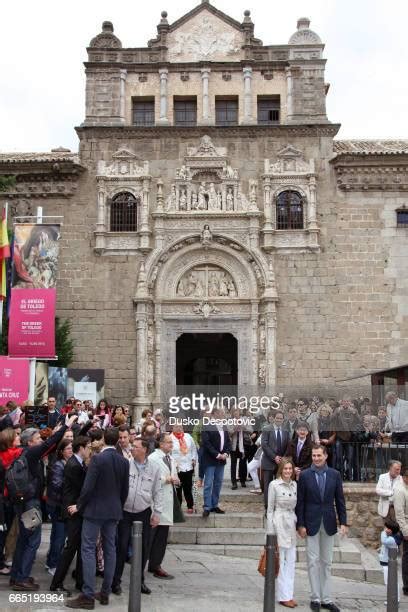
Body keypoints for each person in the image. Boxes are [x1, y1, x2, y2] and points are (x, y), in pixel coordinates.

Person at [10, 415, 77, 591]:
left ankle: (17, 575)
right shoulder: (31, 452)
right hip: (31, 504)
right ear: (30, 442)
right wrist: (66, 427)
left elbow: (51, 444)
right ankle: (22, 579)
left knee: (24, 539)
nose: (41, 441)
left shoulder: (26, 452)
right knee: (33, 540)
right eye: (38, 439)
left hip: (25, 502)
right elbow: (50, 443)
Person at [65, 428, 129, 609]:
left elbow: (88, 487)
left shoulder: (98, 459)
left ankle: (87, 594)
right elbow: (125, 490)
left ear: (103, 439)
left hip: (94, 511)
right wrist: (118, 505)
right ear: (117, 441)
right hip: (113, 510)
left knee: (87, 549)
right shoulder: (124, 462)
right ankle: (105, 592)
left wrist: (80, 505)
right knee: (110, 550)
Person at [296, 444, 347, 612]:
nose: (316, 459)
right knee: (312, 562)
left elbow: (340, 500)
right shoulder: (304, 476)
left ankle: (327, 598)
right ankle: (315, 598)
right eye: (314, 456)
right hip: (310, 523)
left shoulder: (335, 475)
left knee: (327, 562)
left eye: (319, 455)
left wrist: (344, 523)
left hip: (329, 523)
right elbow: (300, 502)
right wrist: (300, 524)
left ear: (325, 456)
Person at [112, 437, 163, 596]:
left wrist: (157, 513)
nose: (132, 448)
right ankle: (116, 581)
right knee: (121, 546)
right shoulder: (126, 464)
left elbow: (158, 491)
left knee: (143, 548)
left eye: (135, 446)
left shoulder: (154, 467)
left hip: (144, 510)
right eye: (132, 446)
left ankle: (139, 580)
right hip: (125, 511)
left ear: (144, 450)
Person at [50, 436, 91, 596]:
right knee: (71, 548)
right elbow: (82, 489)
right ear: (81, 448)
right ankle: (56, 583)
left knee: (80, 547)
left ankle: (80, 581)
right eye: (87, 446)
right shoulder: (74, 465)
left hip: (76, 510)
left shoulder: (77, 462)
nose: (89, 450)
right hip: (72, 511)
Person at [266, 458, 298, 608]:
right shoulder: (274, 485)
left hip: (291, 523)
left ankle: (289, 594)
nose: (288, 471)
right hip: (278, 523)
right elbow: (270, 509)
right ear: (281, 470)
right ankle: (283, 595)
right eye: (285, 469)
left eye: (290, 469)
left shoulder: (294, 485)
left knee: (290, 561)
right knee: (281, 561)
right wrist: (270, 531)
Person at [147, 433, 179, 579]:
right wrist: (166, 479)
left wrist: (175, 479)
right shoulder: (153, 458)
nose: (171, 445)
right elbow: (148, 476)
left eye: (172, 443)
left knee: (162, 536)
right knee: (151, 536)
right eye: (168, 442)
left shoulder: (171, 458)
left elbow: (172, 474)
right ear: (160, 444)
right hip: (156, 501)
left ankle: (156, 564)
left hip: (167, 500)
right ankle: (144, 563)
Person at [45, 439, 73, 576]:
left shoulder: (69, 464)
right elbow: (57, 484)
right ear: (62, 451)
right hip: (57, 505)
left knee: (59, 535)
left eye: (71, 448)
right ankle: (53, 564)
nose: (71, 450)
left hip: (63, 505)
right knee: (59, 536)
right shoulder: (58, 465)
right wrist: (71, 488)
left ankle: (51, 559)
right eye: (68, 448)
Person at [201, 408, 231, 517]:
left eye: (223, 413)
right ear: (214, 414)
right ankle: (207, 506)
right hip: (210, 459)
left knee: (218, 483)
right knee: (208, 483)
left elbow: (228, 442)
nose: (222, 415)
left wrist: (226, 454)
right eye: (220, 413)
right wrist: (217, 454)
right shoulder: (207, 426)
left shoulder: (223, 426)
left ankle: (214, 504)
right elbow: (206, 443)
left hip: (221, 460)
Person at [261, 410, 290, 507]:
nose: (279, 420)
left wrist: (283, 459)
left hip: (281, 464)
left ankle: (278, 506)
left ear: (283, 420)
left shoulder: (286, 430)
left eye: (281, 418)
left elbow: (288, 446)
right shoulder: (266, 429)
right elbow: (264, 445)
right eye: (277, 418)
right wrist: (274, 457)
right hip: (269, 462)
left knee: (280, 486)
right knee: (268, 487)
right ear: (273, 418)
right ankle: (268, 508)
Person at [171, 424, 198, 513]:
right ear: (173, 428)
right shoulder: (170, 438)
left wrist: (194, 459)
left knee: (188, 487)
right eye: (176, 427)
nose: (179, 428)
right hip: (177, 467)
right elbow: (168, 453)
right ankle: (178, 507)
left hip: (188, 466)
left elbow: (193, 449)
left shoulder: (188, 436)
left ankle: (190, 505)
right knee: (178, 489)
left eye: (180, 427)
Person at [378, 518, 402, 602]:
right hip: (386, 563)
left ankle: (393, 599)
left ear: (392, 530)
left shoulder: (391, 539)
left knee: (390, 582)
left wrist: (383, 532)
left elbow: (384, 541)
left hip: (389, 564)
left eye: (387, 528)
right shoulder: (390, 538)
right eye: (385, 528)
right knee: (390, 582)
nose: (385, 530)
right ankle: (394, 598)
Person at [228, 409, 252, 489]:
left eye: (237, 411)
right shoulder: (230, 421)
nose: (235, 412)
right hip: (234, 446)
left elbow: (251, 430)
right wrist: (234, 429)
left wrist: (243, 427)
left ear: (239, 412)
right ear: (232, 413)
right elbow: (228, 432)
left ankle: (242, 480)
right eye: (234, 411)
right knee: (233, 464)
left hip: (243, 445)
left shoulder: (245, 419)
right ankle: (234, 482)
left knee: (243, 463)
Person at [394, 467, 408, 596]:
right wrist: (405, 531)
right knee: (407, 558)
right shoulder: (400, 490)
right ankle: (407, 587)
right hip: (407, 528)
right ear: (404, 477)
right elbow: (399, 513)